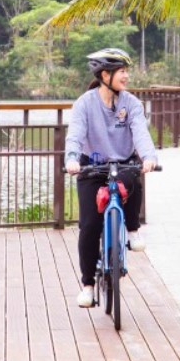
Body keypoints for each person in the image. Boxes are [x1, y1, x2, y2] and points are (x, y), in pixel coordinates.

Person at [65, 47, 158, 308]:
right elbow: (75, 134)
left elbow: (140, 133)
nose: (126, 77)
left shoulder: (132, 104)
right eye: (122, 72)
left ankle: (131, 230)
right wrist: (71, 159)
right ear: (105, 75)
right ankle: (87, 285)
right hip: (91, 168)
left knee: (134, 177)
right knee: (90, 226)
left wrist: (149, 157)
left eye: (127, 71)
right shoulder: (85, 103)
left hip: (123, 163)